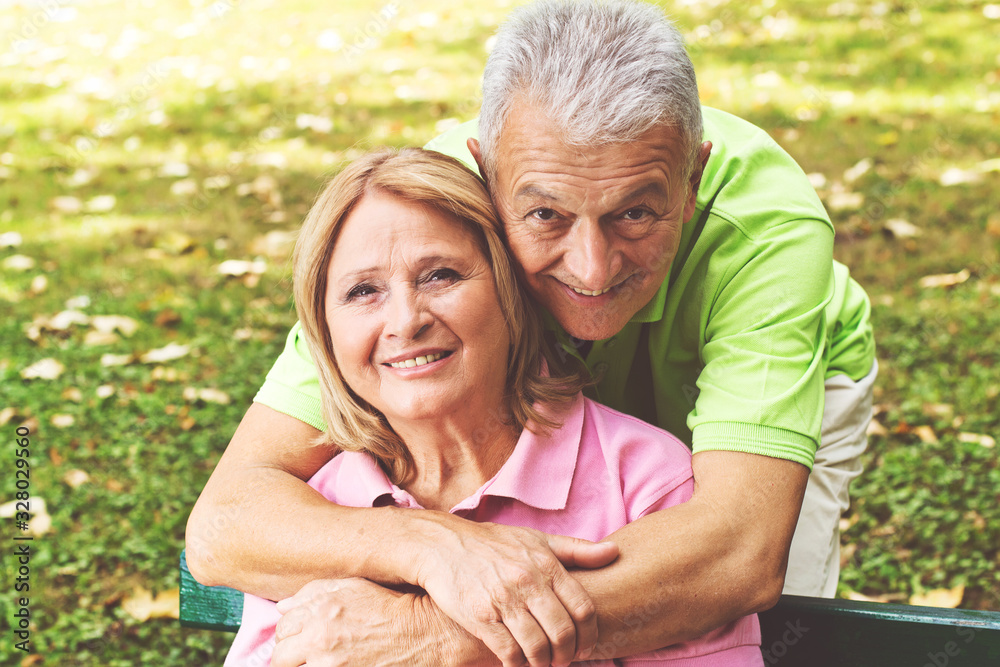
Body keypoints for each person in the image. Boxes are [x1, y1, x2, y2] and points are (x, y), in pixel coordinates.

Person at [187, 1, 876, 665]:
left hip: (757, 379)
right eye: (546, 213)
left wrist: (447, 637)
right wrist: (433, 546)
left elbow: (736, 553)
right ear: (485, 174)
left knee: (759, 613)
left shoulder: (769, 230)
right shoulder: (420, 216)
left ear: (691, 177)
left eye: (634, 213)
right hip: (533, 395)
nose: (592, 268)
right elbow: (228, 521)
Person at [225, 146, 764, 667]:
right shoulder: (313, 510)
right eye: (363, 291)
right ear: (325, 330)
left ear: (510, 291)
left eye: (441, 275)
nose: (405, 320)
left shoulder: (647, 486)